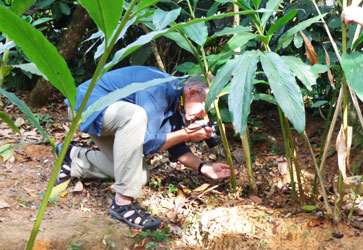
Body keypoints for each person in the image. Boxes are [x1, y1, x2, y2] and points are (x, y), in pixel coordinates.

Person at [56, 66, 233, 230]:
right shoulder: (160, 90)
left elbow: (176, 146)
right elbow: (146, 143)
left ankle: (74, 158)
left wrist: (204, 167)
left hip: (113, 117)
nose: (204, 114)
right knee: (136, 116)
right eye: (204, 107)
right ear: (193, 93)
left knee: (138, 176)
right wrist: (187, 133)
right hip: (87, 106)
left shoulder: (179, 100)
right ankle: (122, 203)